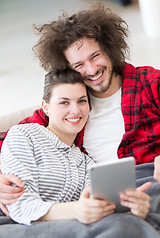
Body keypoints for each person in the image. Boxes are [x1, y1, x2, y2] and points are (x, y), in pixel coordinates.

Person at [0, 3, 159, 213]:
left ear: (110, 50)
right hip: (98, 201)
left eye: (95, 56)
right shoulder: (69, 107)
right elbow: (10, 140)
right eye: (79, 65)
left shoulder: (150, 84)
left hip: (151, 185)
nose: (92, 69)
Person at [0, 67, 151, 225]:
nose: (75, 110)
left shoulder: (86, 162)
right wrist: (76, 210)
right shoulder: (23, 135)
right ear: (46, 107)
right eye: (64, 102)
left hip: (70, 227)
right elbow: (20, 206)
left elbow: (98, 205)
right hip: (21, 227)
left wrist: (132, 207)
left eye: (81, 101)